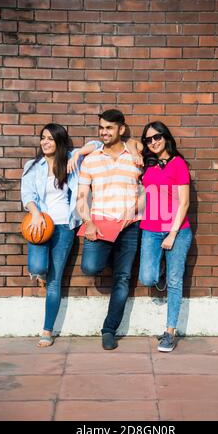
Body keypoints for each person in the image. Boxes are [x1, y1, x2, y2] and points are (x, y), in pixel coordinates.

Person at [21, 123, 102, 347]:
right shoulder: (32, 166)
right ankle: (40, 272)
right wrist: (35, 213)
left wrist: (79, 154)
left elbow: (98, 145)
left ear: (59, 141)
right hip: (39, 224)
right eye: (43, 138)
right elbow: (26, 193)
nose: (45, 142)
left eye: (50, 138)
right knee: (38, 267)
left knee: (55, 281)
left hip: (65, 226)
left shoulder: (71, 160)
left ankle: (47, 330)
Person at [76, 109, 142, 350]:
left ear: (121, 129)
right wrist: (88, 221)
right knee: (90, 267)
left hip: (129, 227)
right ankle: (111, 254)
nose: (104, 132)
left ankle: (109, 330)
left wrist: (134, 209)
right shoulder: (91, 159)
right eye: (101, 128)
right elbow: (82, 196)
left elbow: (146, 190)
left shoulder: (135, 157)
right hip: (101, 224)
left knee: (123, 278)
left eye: (109, 128)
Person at [138, 121, 192, 352]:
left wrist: (171, 233)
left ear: (165, 137)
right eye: (148, 140)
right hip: (150, 228)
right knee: (147, 278)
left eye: (157, 137)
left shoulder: (178, 164)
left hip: (177, 231)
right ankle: (160, 271)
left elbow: (185, 202)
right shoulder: (148, 165)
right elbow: (145, 196)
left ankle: (170, 332)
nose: (153, 142)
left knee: (174, 282)